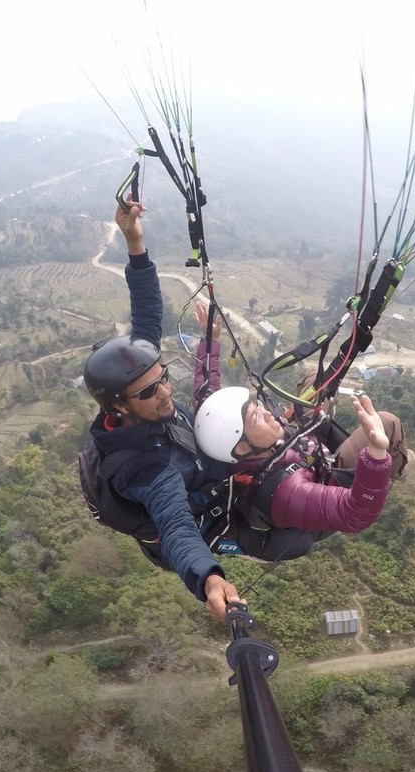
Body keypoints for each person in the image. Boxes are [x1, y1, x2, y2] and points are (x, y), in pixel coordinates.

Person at [82, 200, 243, 622]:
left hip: (206, 468)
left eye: (164, 375)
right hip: (210, 521)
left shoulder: (136, 394)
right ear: (119, 404)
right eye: (151, 390)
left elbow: (147, 313)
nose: (166, 392)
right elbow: (175, 525)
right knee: (297, 537)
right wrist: (208, 578)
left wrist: (134, 242)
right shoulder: (142, 467)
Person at [193, 386, 414, 559]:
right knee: (387, 422)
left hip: (304, 450)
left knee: (315, 381)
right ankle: (400, 463)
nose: (267, 413)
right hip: (329, 478)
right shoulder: (284, 493)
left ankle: (322, 416)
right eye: (256, 417)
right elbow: (356, 514)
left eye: (257, 406)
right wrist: (377, 453)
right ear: (242, 448)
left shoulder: (254, 450)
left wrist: (210, 340)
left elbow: (209, 398)